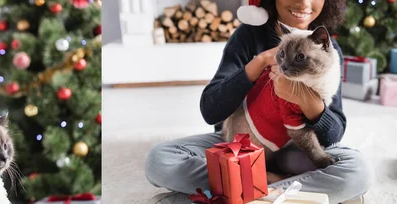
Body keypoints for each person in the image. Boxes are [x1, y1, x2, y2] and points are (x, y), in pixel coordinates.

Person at [144, 0, 373, 203]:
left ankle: (243, 189)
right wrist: (261, 61)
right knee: (160, 161)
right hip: (239, 146)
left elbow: (333, 135)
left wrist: (302, 99)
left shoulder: (328, 50)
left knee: (357, 171)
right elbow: (210, 111)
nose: (304, 4)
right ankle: (280, 190)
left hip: (296, 152)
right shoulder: (248, 35)